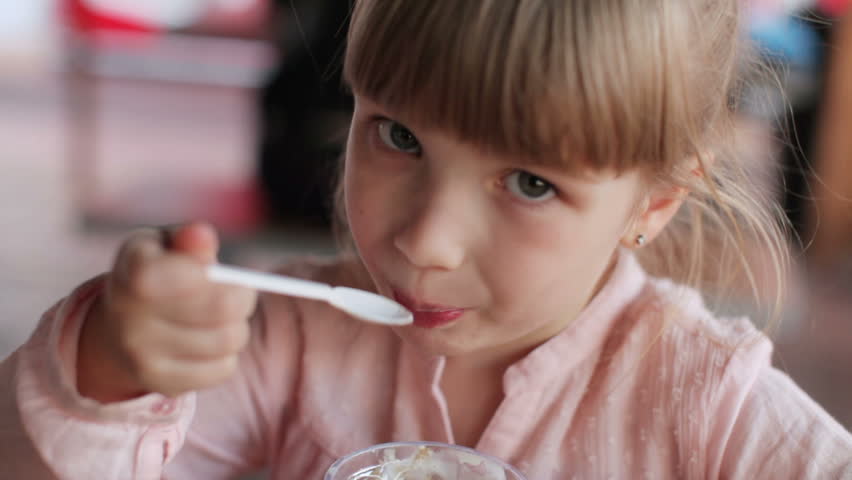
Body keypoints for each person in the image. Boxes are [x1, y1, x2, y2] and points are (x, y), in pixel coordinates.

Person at [2, 1, 852, 478]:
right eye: (399, 137)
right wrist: (110, 367)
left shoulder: (706, 408)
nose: (428, 242)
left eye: (530, 183)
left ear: (656, 204)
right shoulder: (277, 346)